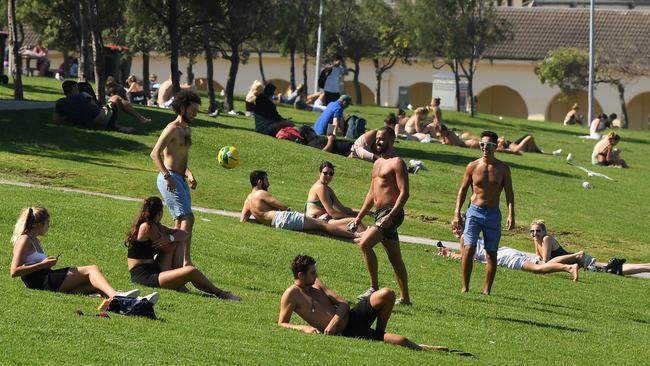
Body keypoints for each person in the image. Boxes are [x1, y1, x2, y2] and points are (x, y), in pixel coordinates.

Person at [278, 254, 448, 351]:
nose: (316, 275)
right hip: (348, 331)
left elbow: (343, 303)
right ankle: (426, 348)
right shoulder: (291, 294)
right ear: (300, 275)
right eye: (312, 273)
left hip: (352, 315)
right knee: (402, 340)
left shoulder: (317, 283)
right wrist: (304, 328)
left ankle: (379, 334)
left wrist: (332, 324)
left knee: (387, 293)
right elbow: (282, 323)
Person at [10, 206, 157, 302]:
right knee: (92, 269)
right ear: (39, 224)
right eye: (48, 223)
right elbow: (14, 271)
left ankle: (135, 301)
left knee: (95, 283)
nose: (49, 226)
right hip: (40, 281)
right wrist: (43, 264)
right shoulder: (24, 239)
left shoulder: (34, 239)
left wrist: (46, 264)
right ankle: (117, 296)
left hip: (45, 278)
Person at [125, 197, 240, 300]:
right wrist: (171, 239)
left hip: (154, 268)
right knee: (191, 271)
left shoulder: (156, 225)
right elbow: (166, 249)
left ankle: (179, 285)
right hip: (144, 276)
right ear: (160, 213)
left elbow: (184, 234)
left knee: (177, 241)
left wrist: (170, 238)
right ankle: (221, 293)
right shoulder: (147, 227)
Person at [351, 127, 411, 304]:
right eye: (377, 139)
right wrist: (358, 217)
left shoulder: (397, 163)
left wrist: (391, 215)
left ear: (392, 141)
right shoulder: (377, 163)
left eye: (382, 139)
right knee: (395, 257)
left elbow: (404, 193)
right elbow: (371, 194)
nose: (378, 142)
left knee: (364, 243)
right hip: (380, 213)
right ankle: (406, 299)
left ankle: (373, 288)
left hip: (391, 212)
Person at [452, 131, 515, 295]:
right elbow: (462, 190)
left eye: (488, 145)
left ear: (495, 147)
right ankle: (465, 287)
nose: (484, 148)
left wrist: (511, 214)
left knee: (491, 253)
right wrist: (456, 213)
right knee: (469, 248)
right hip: (474, 212)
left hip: (493, 214)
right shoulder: (472, 166)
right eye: (482, 144)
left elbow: (509, 193)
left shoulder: (503, 169)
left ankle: (487, 290)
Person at [150, 90, 201, 267]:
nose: (195, 113)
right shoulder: (172, 128)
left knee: (181, 222)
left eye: (197, 110)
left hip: (180, 178)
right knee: (188, 218)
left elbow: (179, 158)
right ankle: (184, 262)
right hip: (169, 178)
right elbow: (154, 154)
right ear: (183, 108)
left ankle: (166, 259)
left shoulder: (187, 129)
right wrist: (167, 176)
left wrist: (189, 174)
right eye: (193, 109)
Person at [240, 171, 359, 239]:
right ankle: (355, 236)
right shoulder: (261, 193)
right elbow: (282, 207)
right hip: (283, 218)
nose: (268, 183)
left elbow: (243, 219)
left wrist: (261, 219)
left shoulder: (248, 200)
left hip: (275, 223)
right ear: (260, 182)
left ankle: (350, 234)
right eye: (266, 180)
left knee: (317, 228)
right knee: (322, 224)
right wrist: (293, 212)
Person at [441, 227, 579, 281]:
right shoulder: (474, 236)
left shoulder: (465, 238)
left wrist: (450, 254)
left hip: (504, 257)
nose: (454, 228)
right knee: (542, 263)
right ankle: (576, 258)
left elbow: (466, 259)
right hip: (507, 251)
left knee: (538, 269)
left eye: (456, 226)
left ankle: (569, 267)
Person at [529, 220, 650, 275]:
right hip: (578, 260)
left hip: (582, 260)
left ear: (544, 231)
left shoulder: (546, 239)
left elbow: (546, 262)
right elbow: (538, 257)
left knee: (616, 270)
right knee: (614, 268)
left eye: (538, 231)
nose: (535, 233)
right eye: (532, 231)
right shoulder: (537, 240)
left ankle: (647, 268)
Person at [53, 80, 135, 134]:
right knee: (115, 99)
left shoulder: (61, 102)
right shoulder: (83, 95)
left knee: (107, 110)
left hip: (89, 125)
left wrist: (68, 116)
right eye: (77, 88)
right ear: (74, 88)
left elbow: (55, 119)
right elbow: (95, 105)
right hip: (101, 119)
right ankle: (141, 119)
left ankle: (118, 127)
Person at [305, 161, 361, 230]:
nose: (328, 176)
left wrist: (363, 212)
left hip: (324, 219)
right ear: (319, 173)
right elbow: (332, 213)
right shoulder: (320, 187)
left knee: (354, 220)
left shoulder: (328, 189)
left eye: (331, 174)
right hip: (315, 221)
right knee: (354, 221)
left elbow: (342, 209)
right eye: (325, 173)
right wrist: (350, 217)